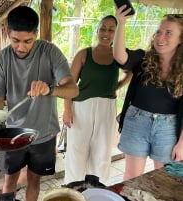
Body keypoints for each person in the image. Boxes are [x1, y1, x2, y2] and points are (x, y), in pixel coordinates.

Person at [0, 6, 79, 201]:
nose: (21, 47)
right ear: (7, 32)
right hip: (12, 134)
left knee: (34, 180)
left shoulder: (50, 52)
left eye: (28, 41)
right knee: (9, 179)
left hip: (42, 134)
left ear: (36, 34)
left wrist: (50, 89)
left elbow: (73, 89)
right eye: (15, 40)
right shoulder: (4, 58)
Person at [113, 6, 183, 181]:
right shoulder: (144, 59)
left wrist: (182, 143)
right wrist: (121, 23)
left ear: (181, 39)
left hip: (168, 128)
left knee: (166, 179)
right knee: (132, 177)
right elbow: (120, 56)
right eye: (159, 31)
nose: (160, 37)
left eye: (168, 33)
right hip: (137, 121)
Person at [63, 15, 132, 185]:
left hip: (106, 108)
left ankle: (96, 188)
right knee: (77, 149)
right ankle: (73, 188)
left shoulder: (119, 55)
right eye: (103, 28)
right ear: (97, 30)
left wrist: (116, 86)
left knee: (101, 150)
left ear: (116, 33)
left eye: (111, 30)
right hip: (81, 108)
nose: (106, 33)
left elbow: (130, 71)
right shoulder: (84, 54)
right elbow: (69, 85)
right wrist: (67, 109)